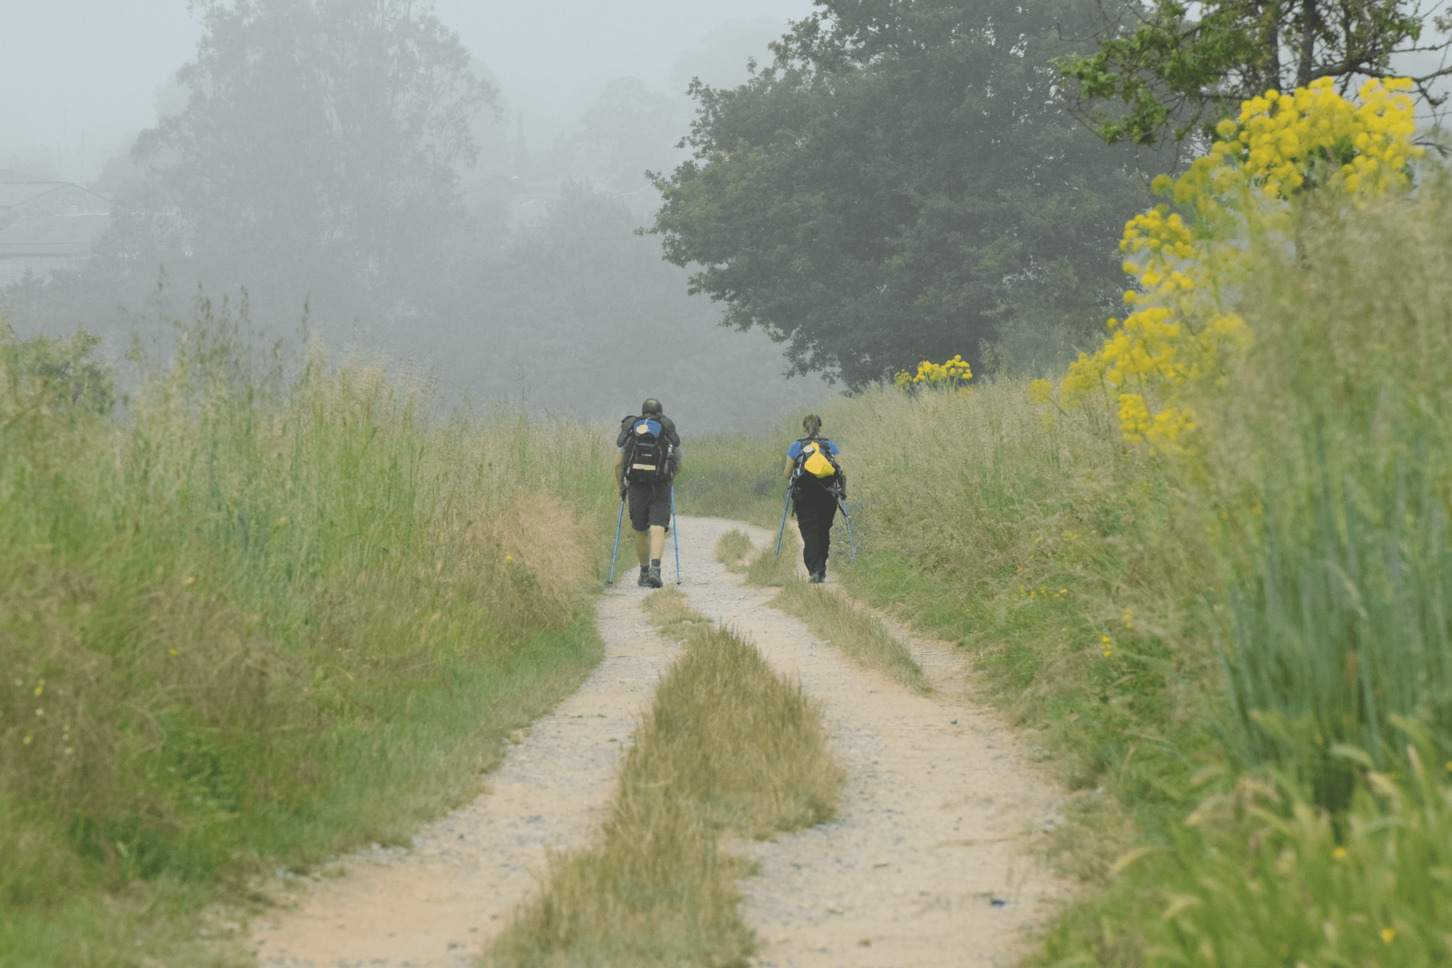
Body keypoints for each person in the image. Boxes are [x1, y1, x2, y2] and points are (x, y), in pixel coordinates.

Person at [615, 398, 682, 588]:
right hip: (660, 485)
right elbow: (680, 463)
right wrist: (670, 478)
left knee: (640, 529)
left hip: (636, 485)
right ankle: (656, 568)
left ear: (642, 411)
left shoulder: (633, 431)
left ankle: (644, 573)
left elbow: (618, 463)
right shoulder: (665, 431)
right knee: (658, 526)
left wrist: (621, 486)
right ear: (660, 412)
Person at [783, 413, 844, 583]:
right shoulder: (829, 444)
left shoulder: (796, 446)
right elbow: (842, 470)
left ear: (803, 428)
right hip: (827, 494)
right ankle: (821, 568)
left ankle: (815, 570)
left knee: (810, 531)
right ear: (820, 427)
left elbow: (787, 473)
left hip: (805, 494)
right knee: (823, 530)